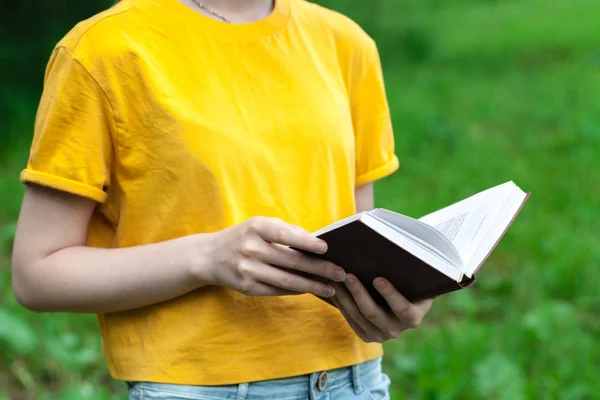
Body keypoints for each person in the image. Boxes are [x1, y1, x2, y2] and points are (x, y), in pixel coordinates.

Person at [11, 0, 434, 398]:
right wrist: (207, 258)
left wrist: (395, 297)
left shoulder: (345, 42)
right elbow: (37, 273)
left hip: (353, 381)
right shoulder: (104, 49)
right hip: (195, 387)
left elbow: (360, 235)